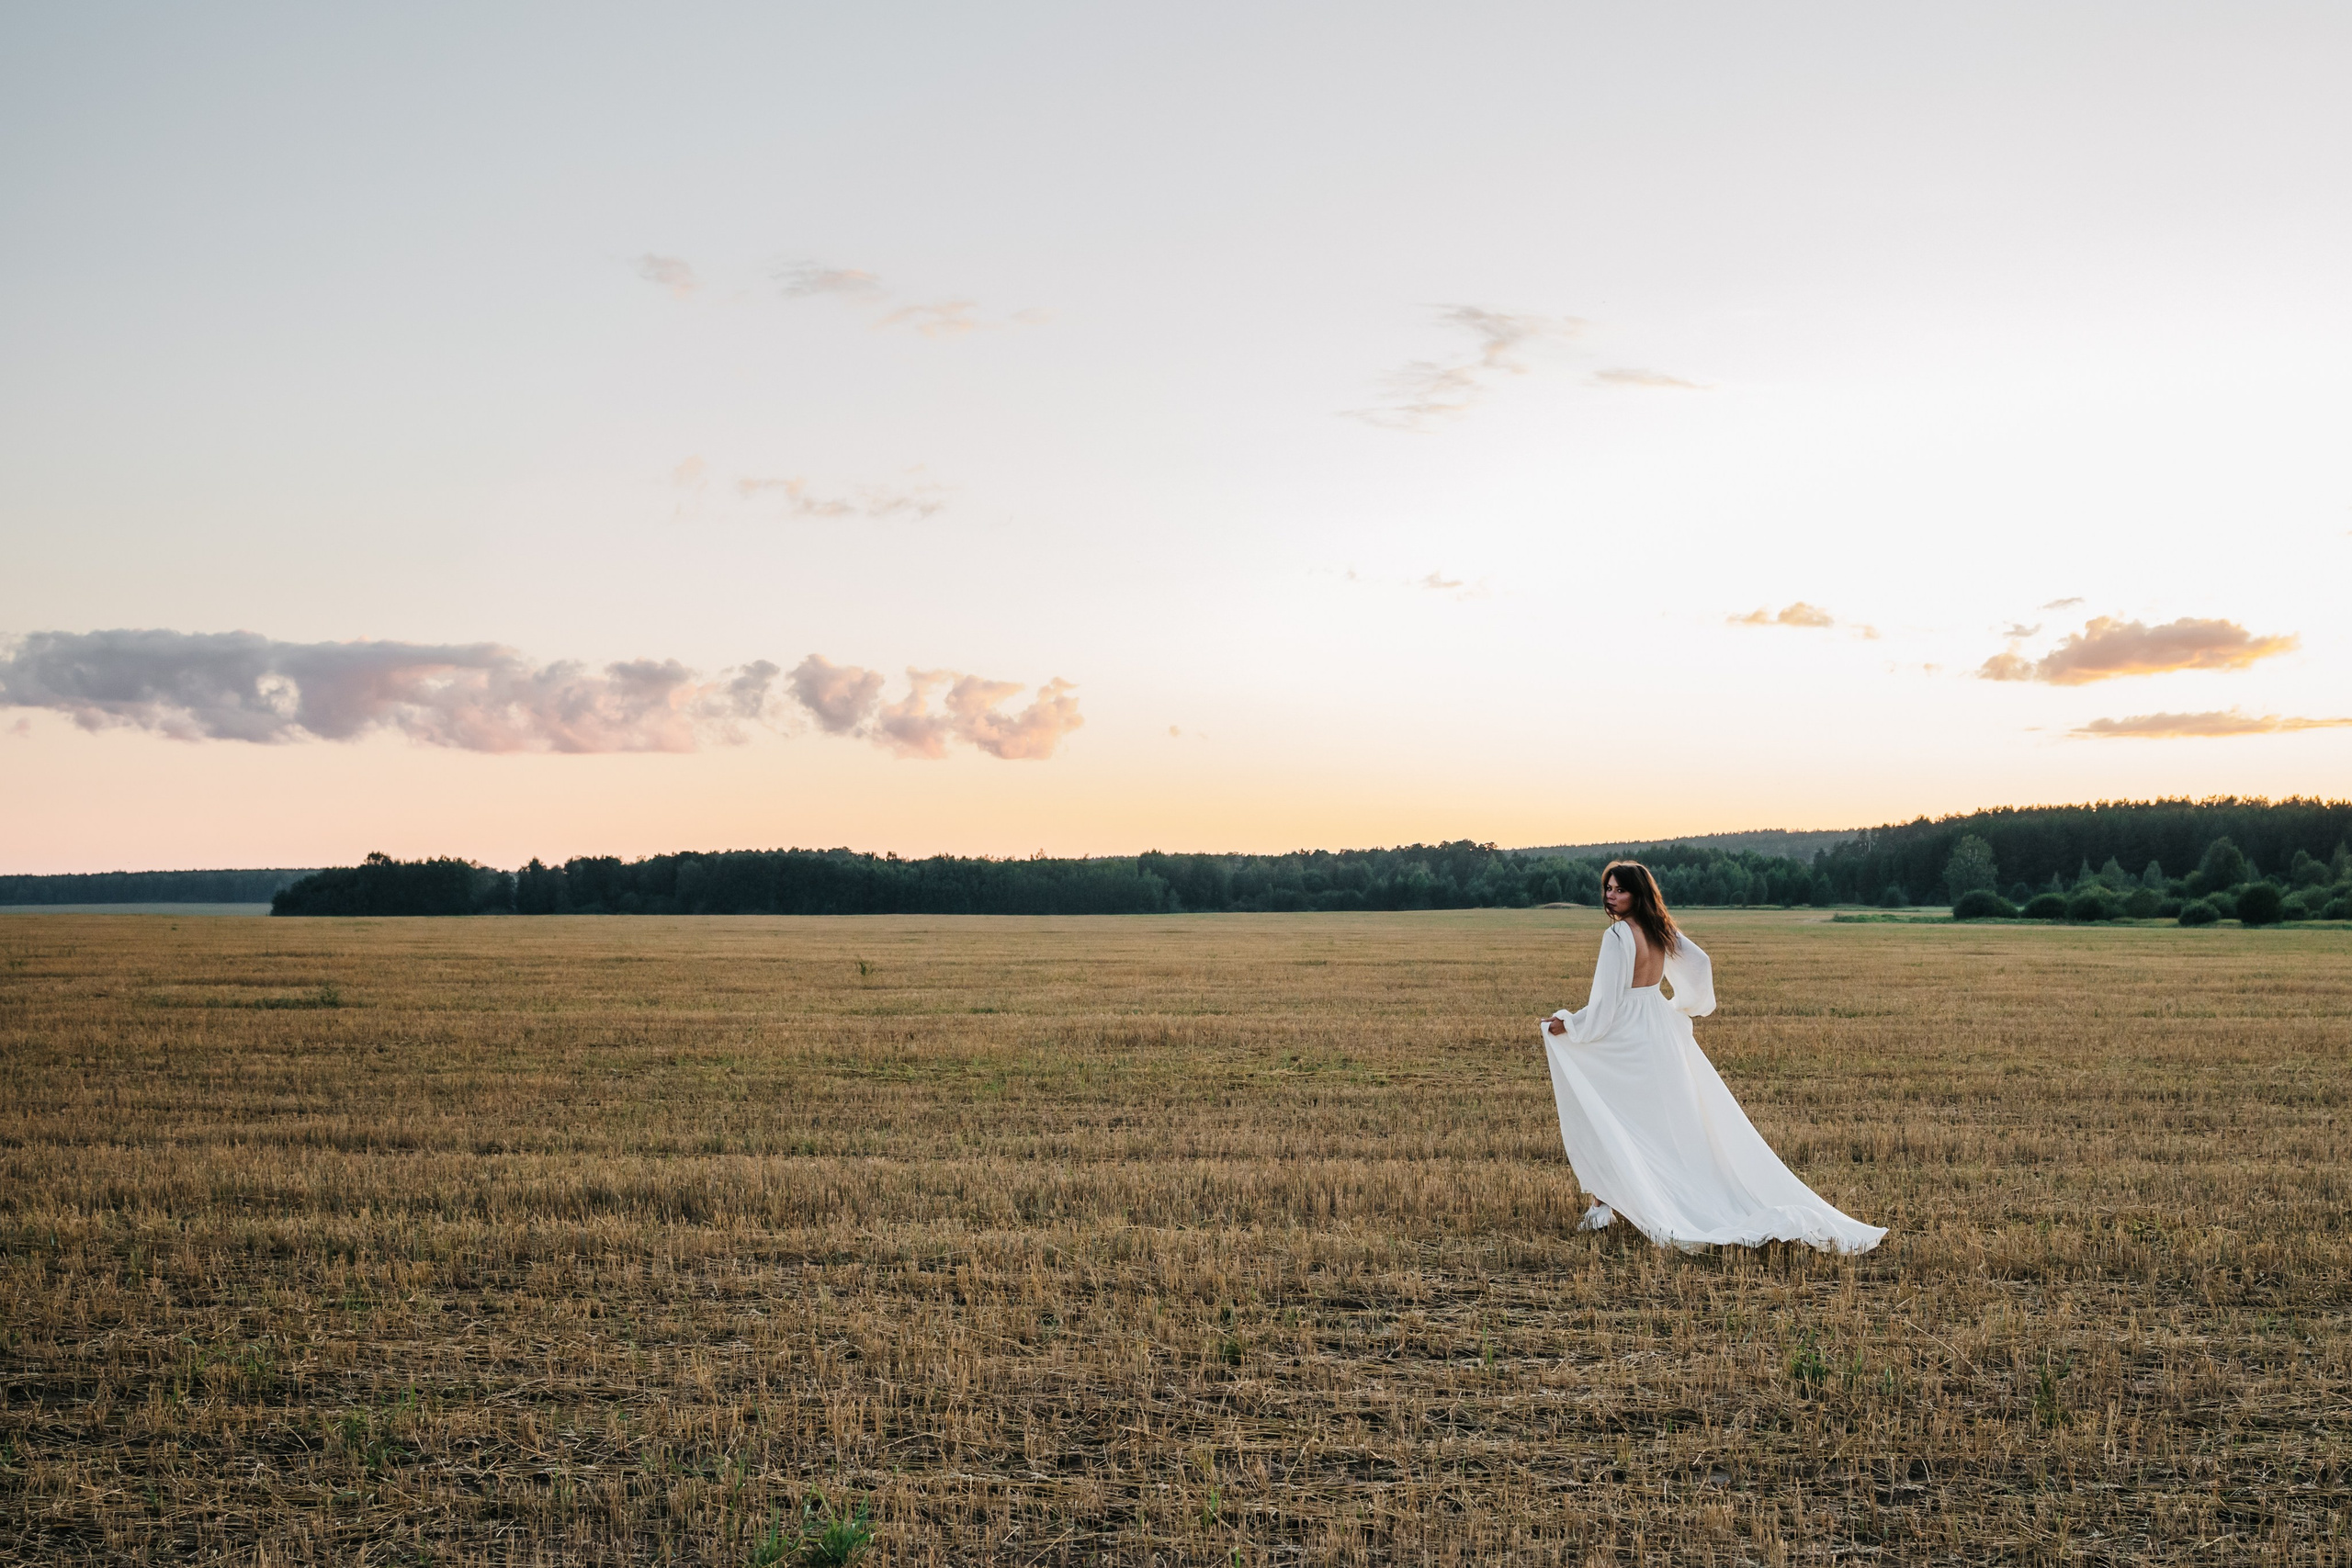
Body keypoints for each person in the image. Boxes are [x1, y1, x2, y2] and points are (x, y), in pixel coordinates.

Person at [1539, 860, 1885, 1253]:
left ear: (1637, 893)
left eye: (1619, 889)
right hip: (1658, 1027)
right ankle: (1609, 1201)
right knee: (1655, 1122)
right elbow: (1699, 964)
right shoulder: (1660, 928)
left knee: (1609, 1113)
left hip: (1628, 1033)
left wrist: (1570, 1024)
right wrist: (1684, 1005)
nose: (1611, 896)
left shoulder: (1618, 934)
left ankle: (1606, 1204)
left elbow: (1606, 1004)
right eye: (1608, 889)